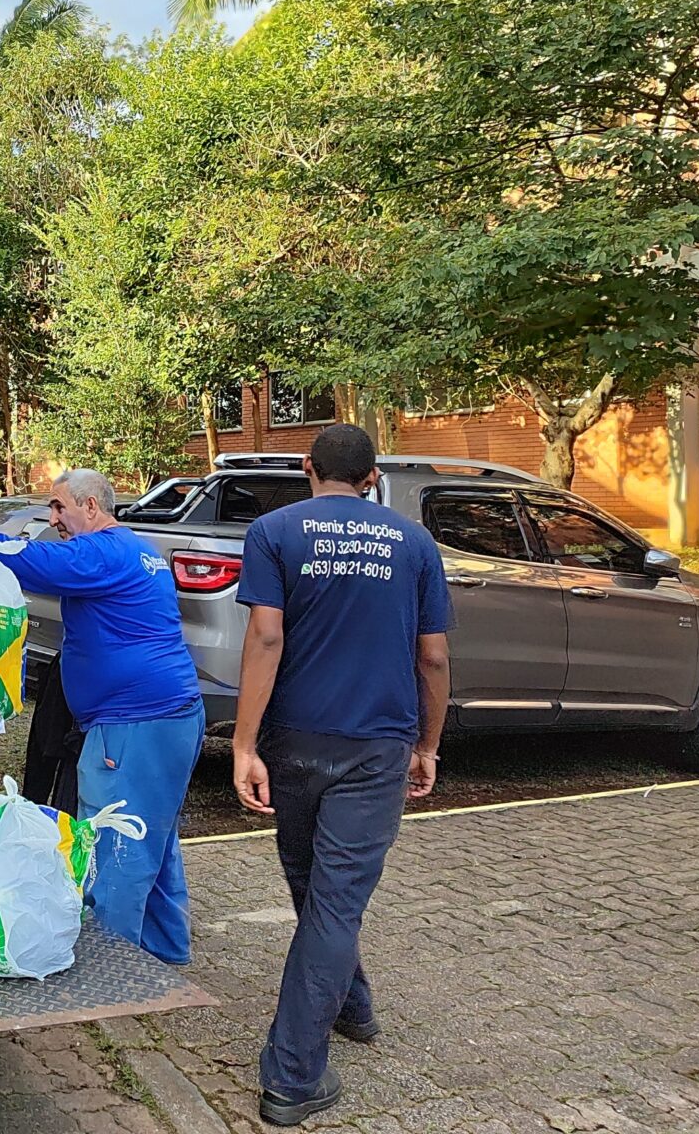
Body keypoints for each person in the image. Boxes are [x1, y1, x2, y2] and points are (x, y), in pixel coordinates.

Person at [232, 424, 452, 1127]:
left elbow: (266, 635)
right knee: (331, 900)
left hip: (294, 740)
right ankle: (310, 1058)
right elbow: (434, 658)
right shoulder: (414, 543)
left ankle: (308, 1055)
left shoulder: (273, 531)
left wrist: (243, 745)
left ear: (307, 467)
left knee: (317, 892)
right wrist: (428, 744)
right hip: (376, 747)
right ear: (372, 474)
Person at [0, 469, 205, 965]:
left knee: (115, 847)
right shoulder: (138, 549)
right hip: (167, 716)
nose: (53, 518)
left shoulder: (106, 549)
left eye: (59, 506)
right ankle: (165, 954)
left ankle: (112, 974)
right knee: (152, 839)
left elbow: (34, 562)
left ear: (91, 506)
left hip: (134, 724)